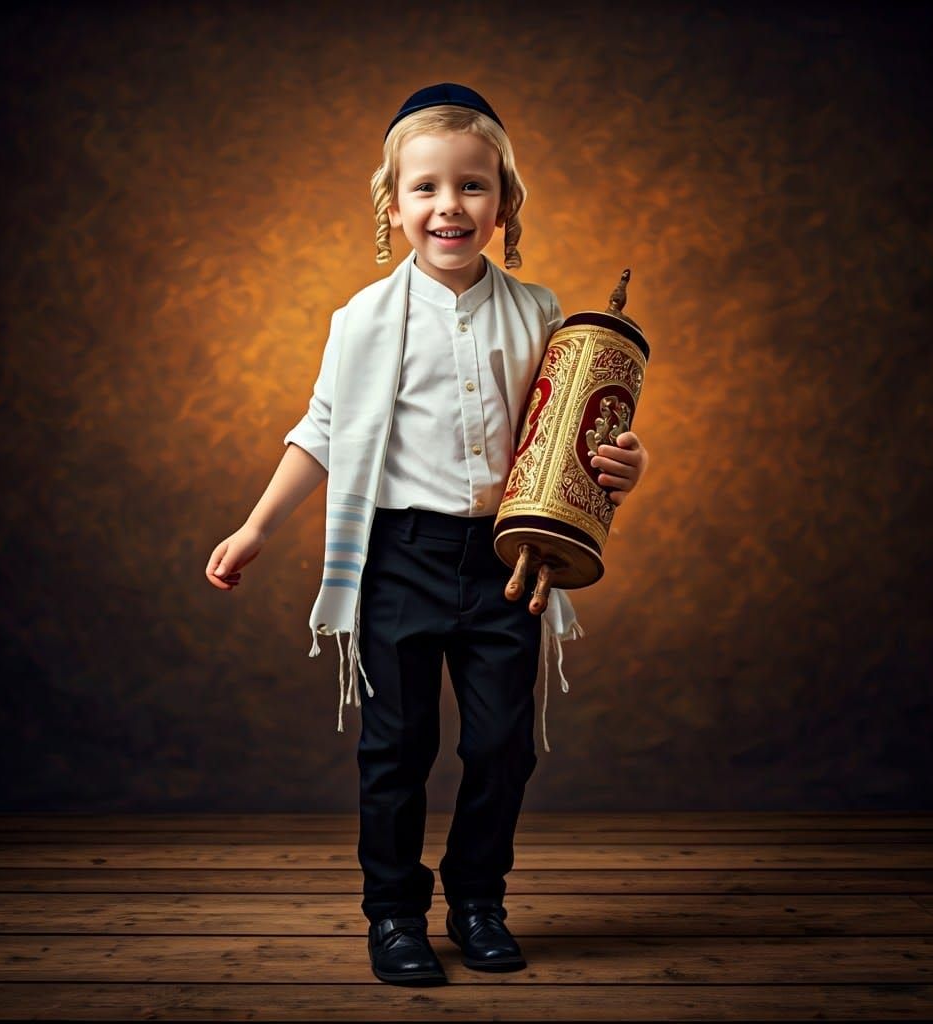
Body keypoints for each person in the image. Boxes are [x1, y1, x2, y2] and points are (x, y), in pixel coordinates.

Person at [205, 83, 649, 986]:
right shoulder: (362, 321)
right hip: (399, 559)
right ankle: (396, 915)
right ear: (394, 204)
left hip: (505, 560)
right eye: (426, 189)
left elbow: (570, 431)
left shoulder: (540, 313)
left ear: (503, 204)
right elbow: (322, 429)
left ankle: (479, 899)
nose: (450, 206)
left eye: (473, 187)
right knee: (396, 747)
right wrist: (255, 527)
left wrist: (620, 463)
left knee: (501, 745)